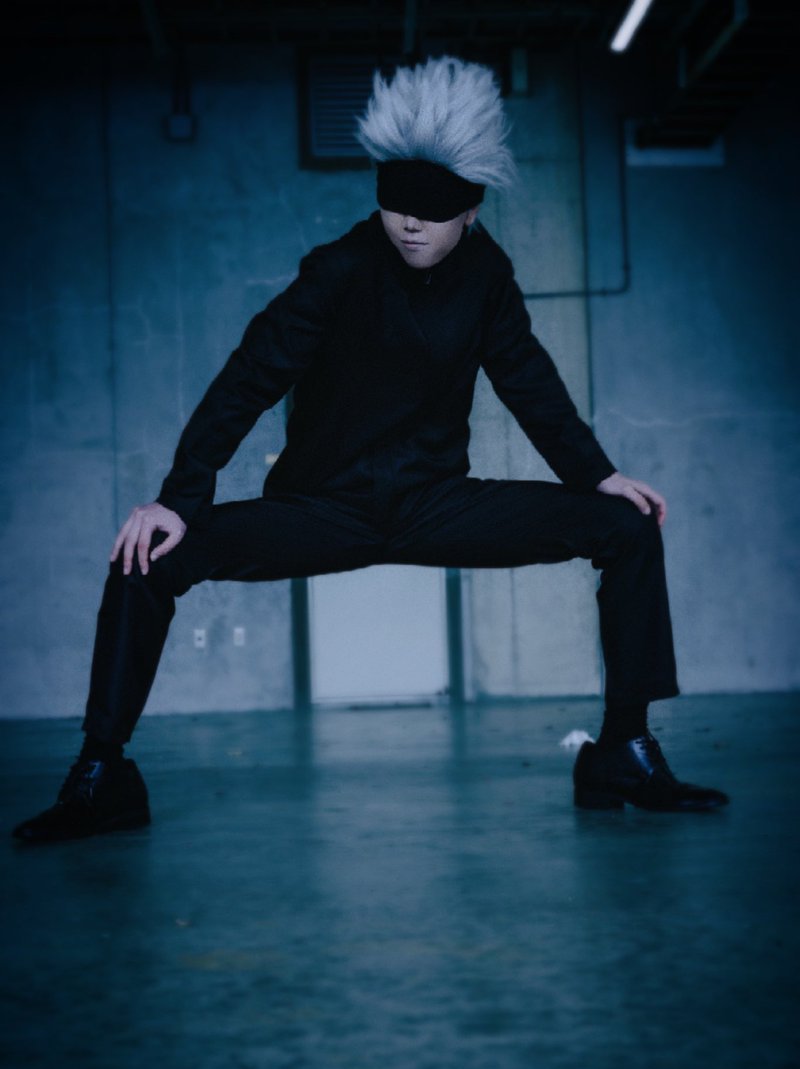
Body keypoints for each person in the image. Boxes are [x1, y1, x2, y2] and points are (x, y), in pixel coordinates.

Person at [12, 57, 727, 842]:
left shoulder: (487, 276)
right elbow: (249, 378)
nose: (410, 224)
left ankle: (622, 749)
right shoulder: (340, 270)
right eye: (396, 205)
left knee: (627, 526)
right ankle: (102, 773)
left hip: (435, 504)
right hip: (323, 508)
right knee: (142, 556)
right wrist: (179, 499)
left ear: (471, 212)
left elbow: (529, 383)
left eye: (432, 211)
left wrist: (600, 475)